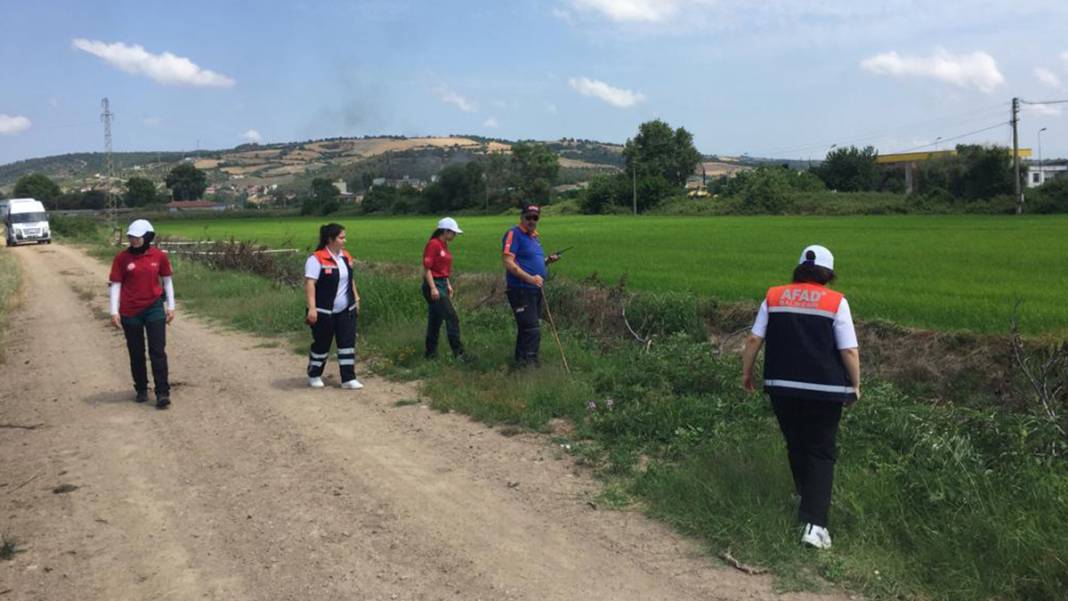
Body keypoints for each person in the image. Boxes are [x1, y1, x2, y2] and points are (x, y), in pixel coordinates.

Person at [740, 244, 861, 550]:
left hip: (781, 386)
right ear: (828, 274)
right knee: (821, 451)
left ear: (799, 269)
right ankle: (815, 526)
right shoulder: (836, 301)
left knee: (796, 442)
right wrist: (855, 385)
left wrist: (747, 372)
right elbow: (848, 349)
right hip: (825, 390)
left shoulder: (774, 296)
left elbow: (755, 338)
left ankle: (803, 496)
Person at [108, 219, 175, 409]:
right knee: (136, 353)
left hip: (154, 308)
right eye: (131, 237)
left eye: (137, 237)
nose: (134, 240)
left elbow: (167, 280)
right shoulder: (122, 259)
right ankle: (141, 388)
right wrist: (114, 311)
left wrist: (171, 306)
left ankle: (162, 392)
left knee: (157, 351)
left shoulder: (159, 256)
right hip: (130, 312)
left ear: (147, 237)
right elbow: (116, 284)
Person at [501, 204, 561, 366]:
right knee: (531, 328)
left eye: (535, 218)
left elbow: (533, 264)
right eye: (528, 217)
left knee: (526, 328)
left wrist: (548, 261)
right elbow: (508, 262)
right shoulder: (514, 234)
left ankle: (520, 363)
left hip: (534, 289)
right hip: (521, 289)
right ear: (522, 217)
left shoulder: (534, 238)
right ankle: (530, 363)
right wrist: (530, 279)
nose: (532, 221)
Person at [304, 223, 363, 390]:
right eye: (341, 237)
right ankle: (314, 374)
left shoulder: (346, 257)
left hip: (346, 310)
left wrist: (356, 299)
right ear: (330, 239)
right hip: (324, 311)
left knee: (347, 344)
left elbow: (350, 280)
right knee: (322, 344)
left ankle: (348, 378)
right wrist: (312, 308)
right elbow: (310, 283)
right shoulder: (316, 258)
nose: (345, 240)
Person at [421, 217, 465, 359]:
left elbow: (443, 268)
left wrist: (448, 284)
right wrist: (433, 288)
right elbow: (427, 268)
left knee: (436, 320)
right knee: (452, 317)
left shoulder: (443, 245)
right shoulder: (433, 244)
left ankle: (430, 354)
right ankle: (459, 354)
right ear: (445, 231)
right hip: (433, 285)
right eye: (453, 233)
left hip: (442, 284)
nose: (454, 236)